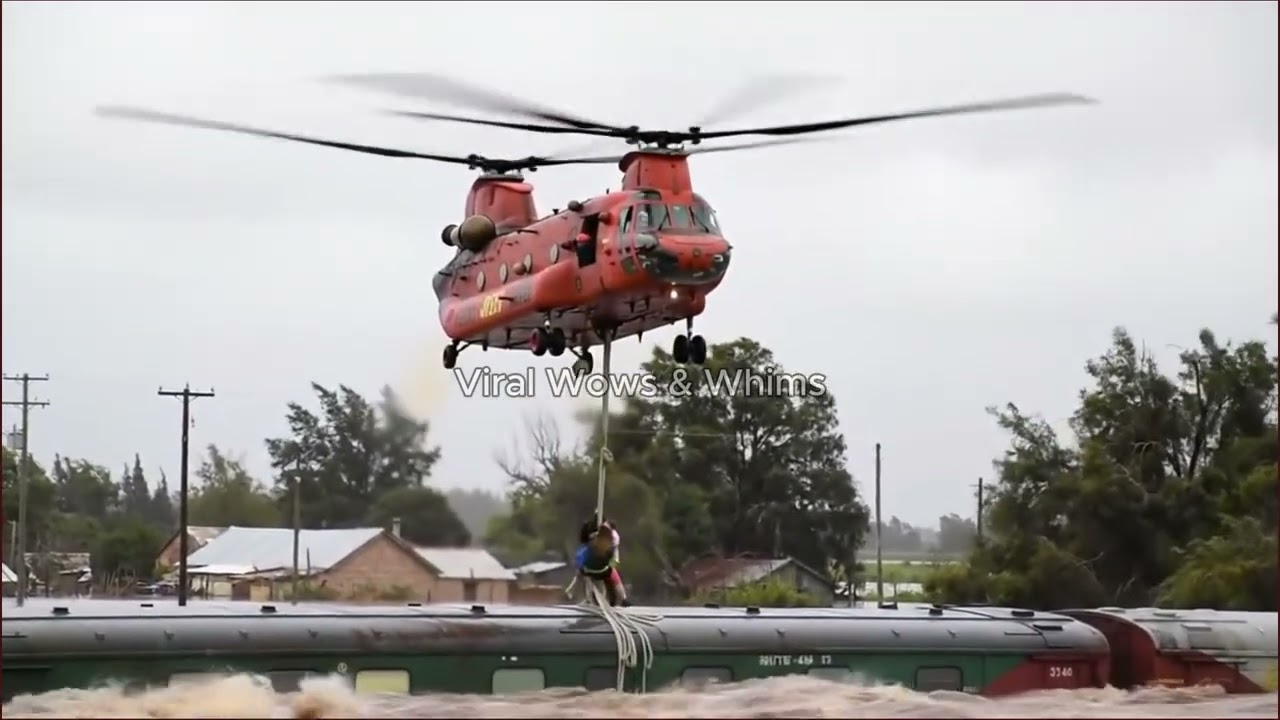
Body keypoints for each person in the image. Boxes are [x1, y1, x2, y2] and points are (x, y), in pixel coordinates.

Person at [574, 517, 630, 607]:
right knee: (613, 576)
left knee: (582, 574)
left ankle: (582, 595)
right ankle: (623, 598)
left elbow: (580, 559)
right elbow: (611, 554)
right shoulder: (608, 541)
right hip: (603, 571)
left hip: (589, 571)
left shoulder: (587, 546)